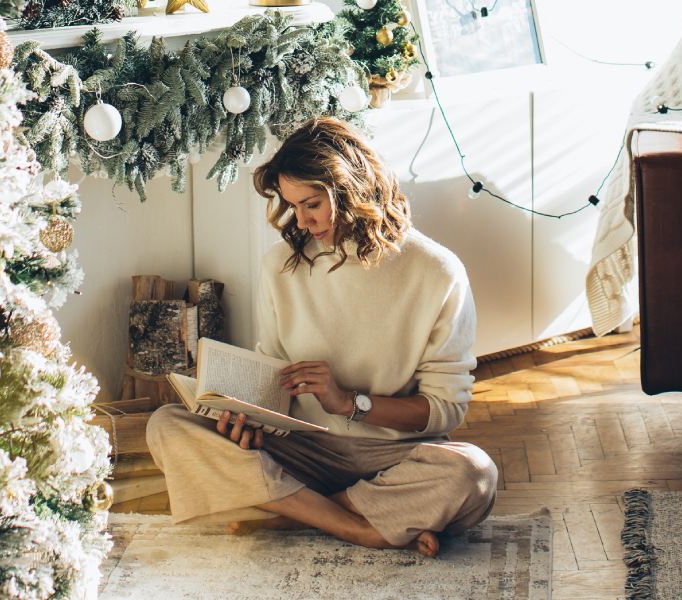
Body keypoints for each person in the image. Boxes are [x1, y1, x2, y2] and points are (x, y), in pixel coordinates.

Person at [146, 116, 496, 557]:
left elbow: (445, 410)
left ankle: (294, 513)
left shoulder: (436, 270)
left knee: (473, 475)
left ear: (352, 189)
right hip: (302, 449)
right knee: (167, 425)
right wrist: (245, 419)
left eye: (312, 203)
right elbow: (272, 374)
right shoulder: (281, 266)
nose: (303, 221)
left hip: (393, 457)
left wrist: (349, 403)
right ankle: (363, 527)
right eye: (293, 206)